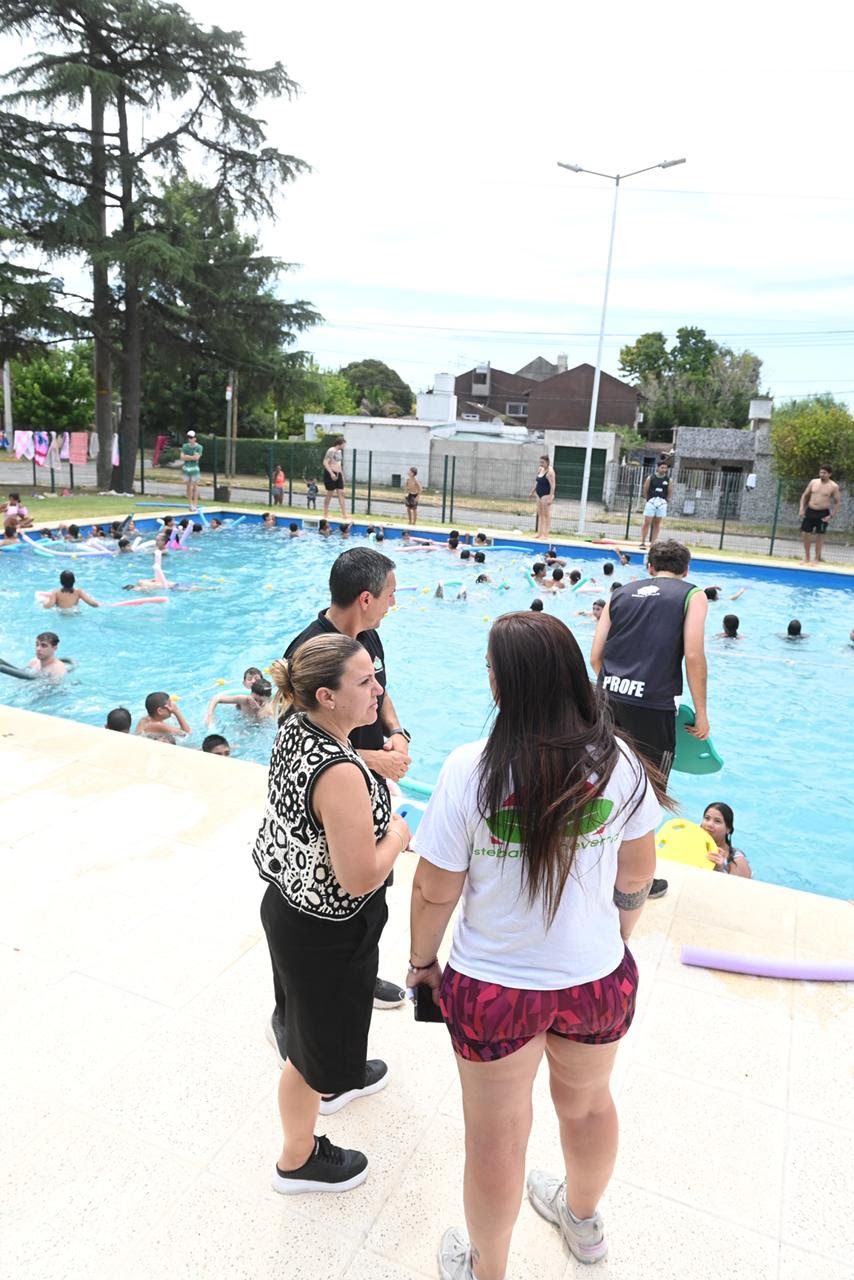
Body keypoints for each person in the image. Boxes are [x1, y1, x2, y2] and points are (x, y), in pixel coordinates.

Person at [407, 612, 662, 1278]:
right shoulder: (620, 762)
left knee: (496, 1138)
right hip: (595, 983)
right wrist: (614, 941)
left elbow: (434, 890)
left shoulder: (470, 769)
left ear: (504, 686)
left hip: (494, 989)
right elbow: (637, 875)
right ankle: (584, 1224)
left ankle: (487, 1270)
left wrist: (422, 963)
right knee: (588, 1106)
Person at [255, 635, 411, 1193]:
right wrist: (399, 835)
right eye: (365, 681)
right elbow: (360, 876)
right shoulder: (340, 773)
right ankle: (297, 1160)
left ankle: (337, 1071)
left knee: (316, 1030)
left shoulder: (295, 725)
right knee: (305, 1056)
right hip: (327, 932)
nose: (378, 690)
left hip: (291, 905)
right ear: (327, 695)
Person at [269, 546, 412, 1056]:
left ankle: (360, 974)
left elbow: (384, 693)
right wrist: (373, 762)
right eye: (390, 595)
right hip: (338, 787)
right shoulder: (311, 653)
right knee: (312, 903)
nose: (394, 604)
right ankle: (288, 1014)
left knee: (370, 898)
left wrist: (397, 733)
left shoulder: (368, 637)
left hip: (365, 782)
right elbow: (301, 741)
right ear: (366, 598)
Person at [591, 539, 710, 899]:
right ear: (686, 569)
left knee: (599, 783)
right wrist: (702, 713)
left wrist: (615, 686)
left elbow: (596, 656)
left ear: (649, 567)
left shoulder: (619, 594)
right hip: (653, 708)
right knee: (647, 794)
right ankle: (636, 881)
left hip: (606, 700)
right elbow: (693, 655)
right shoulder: (692, 595)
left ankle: (593, 865)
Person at [799, 464, 841, 563]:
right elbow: (805, 495)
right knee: (805, 534)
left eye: (824, 473)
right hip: (810, 511)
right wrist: (801, 508)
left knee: (820, 536)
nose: (822, 474)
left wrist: (831, 516)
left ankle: (816, 558)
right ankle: (807, 557)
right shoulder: (813, 482)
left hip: (823, 514)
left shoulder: (833, 486)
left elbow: (837, 502)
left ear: (829, 474)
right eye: (821, 472)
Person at [701, 802, 752, 877]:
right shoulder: (693, 843)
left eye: (717, 821)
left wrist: (719, 870)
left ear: (728, 829)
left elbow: (742, 885)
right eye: (707, 818)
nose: (709, 824)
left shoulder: (737, 861)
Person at [205, 678, 275, 726]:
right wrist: (209, 715)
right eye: (255, 699)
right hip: (240, 723)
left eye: (261, 701)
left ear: (267, 699)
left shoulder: (269, 709)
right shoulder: (243, 700)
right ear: (251, 694)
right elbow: (216, 698)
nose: (257, 703)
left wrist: (258, 710)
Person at [639, 462, 670, 548]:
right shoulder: (651, 478)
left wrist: (665, 501)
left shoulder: (668, 479)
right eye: (662, 468)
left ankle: (653, 543)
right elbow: (645, 489)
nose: (664, 470)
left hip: (661, 502)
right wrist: (648, 499)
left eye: (665, 468)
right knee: (647, 522)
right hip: (652, 501)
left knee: (657, 523)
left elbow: (669, 492)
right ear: (658, 468)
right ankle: (643, 542)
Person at [530, 454, 556, 540]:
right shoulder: (540, 469)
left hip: (546, 495)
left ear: (547, 462)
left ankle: (545, 534)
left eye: (542, 462)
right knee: (540, 515)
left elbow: (553, 486)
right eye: (540, 462)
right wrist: (532, 491)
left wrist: (551, 497)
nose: (541, 464)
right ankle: (539, 533)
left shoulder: (550, 472)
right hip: (539, 494)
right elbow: (537, 481)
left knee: (546, 515)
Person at [322, 436, 347, 520]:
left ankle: (344, 514)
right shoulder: (331, 450)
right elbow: (325, 462)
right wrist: (331, 473)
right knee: (330, 493)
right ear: (340, 443)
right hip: (330, 473)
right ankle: (325, 513)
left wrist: (342, 475)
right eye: (344, 444)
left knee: (341, 493)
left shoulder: (340, 452)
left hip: (338, 474)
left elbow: (339, 464)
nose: (344, 446)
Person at [180, 430, 203, 510]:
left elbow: (197, 458)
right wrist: (192, 457)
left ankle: (195, 505)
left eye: (191, 437)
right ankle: (190, 504)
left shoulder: (199, 447)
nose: (190, 439)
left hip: (194, 469)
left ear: (195, 438)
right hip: (186, 469)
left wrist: (187, 456)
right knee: (188, 487)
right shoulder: (185, 446)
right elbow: (182, 457)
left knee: (195, 487)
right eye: (189, 437)